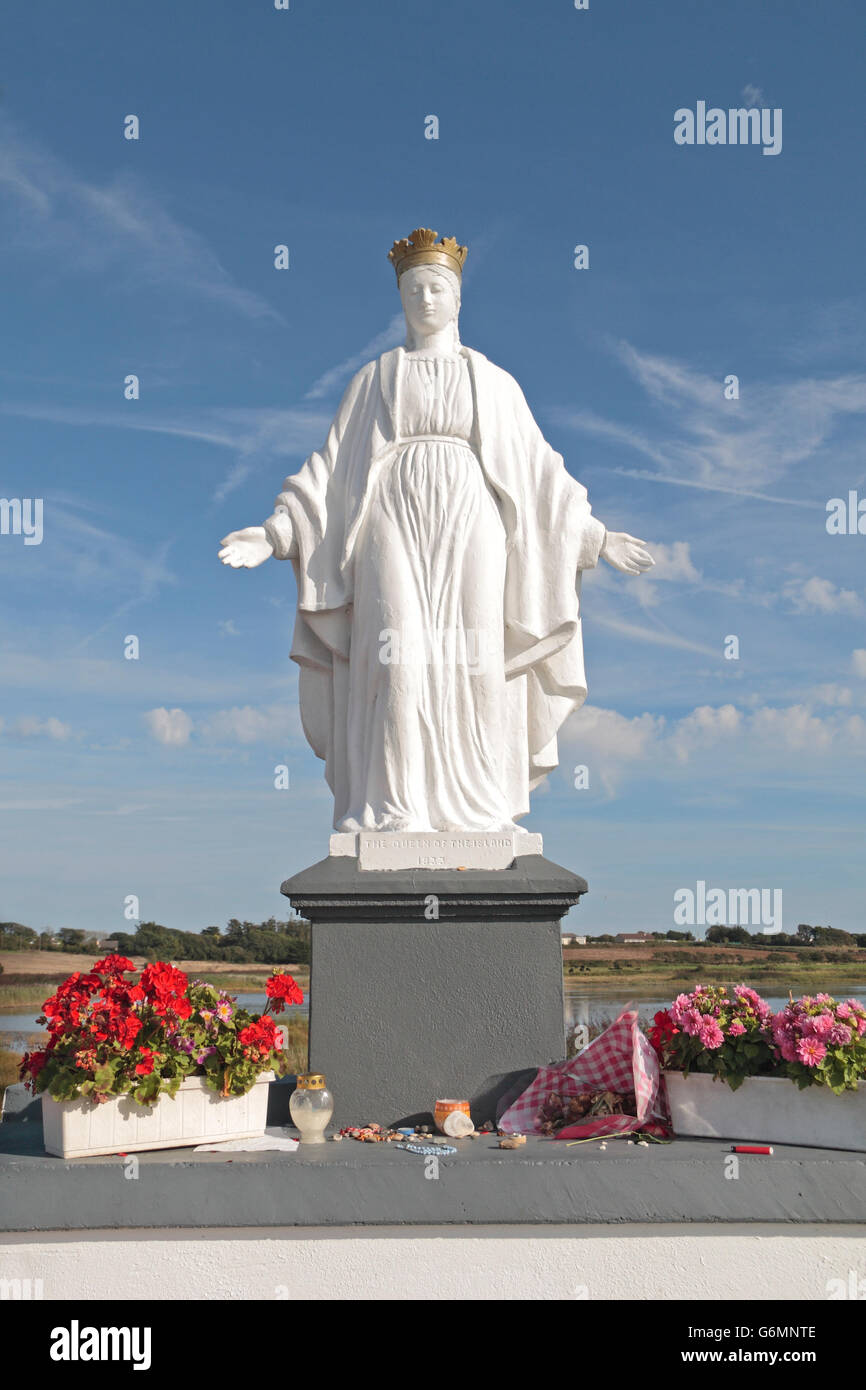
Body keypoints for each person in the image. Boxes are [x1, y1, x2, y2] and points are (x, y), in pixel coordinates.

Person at [219, 228, 653, 833]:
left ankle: (481, 807)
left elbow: (540, 472)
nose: (424, 299)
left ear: (457, 300)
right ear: (401, 300)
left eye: (436, 288)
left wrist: (596, 538)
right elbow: (330, 468)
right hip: (389, 517)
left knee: (476, 652)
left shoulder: (496, 383)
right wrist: (275, 533)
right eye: (413, 289)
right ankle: (395, 807)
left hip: (473, 517)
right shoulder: (373, 380)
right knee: (396, 654)